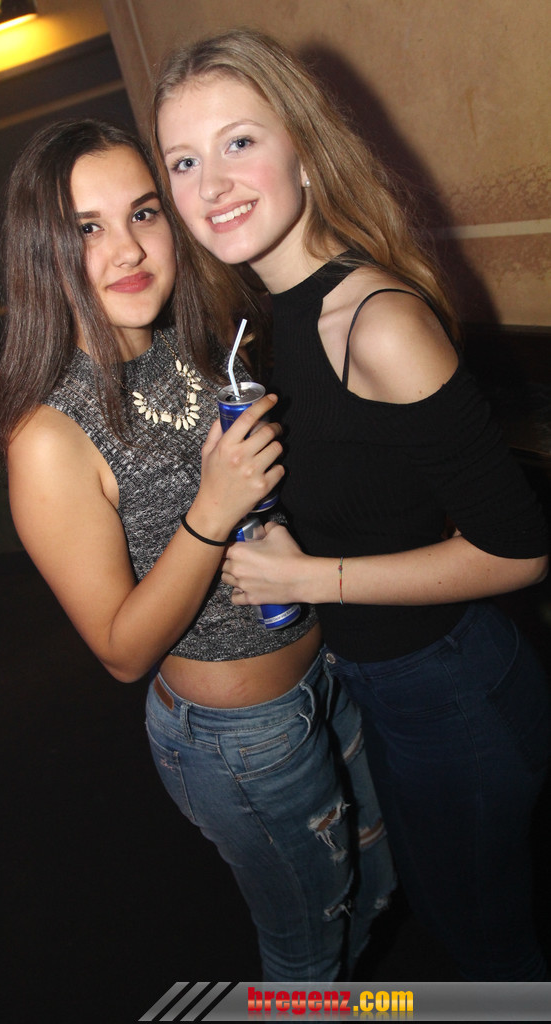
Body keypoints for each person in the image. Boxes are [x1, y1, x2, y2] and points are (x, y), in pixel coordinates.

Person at [151, 29, 551, 981]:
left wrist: (307, 577)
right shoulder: (264, 318)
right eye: (183, 160)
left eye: (239, 141)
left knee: (485, 944)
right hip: (377, 684)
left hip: (453, 690)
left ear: (302, 147)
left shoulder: (376, 321)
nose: (212, 184)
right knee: (441, 911)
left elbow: (519, 549)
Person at [0, 118, 394, 982]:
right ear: (40, 251)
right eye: (87, 228)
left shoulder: (191, 347)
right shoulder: (48, 435)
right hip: (243, 741)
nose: (128, 248)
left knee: (377, 885)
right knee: (310, 954)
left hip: (329, 674)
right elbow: (121, 651)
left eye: (143, 212)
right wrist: (213, 509)